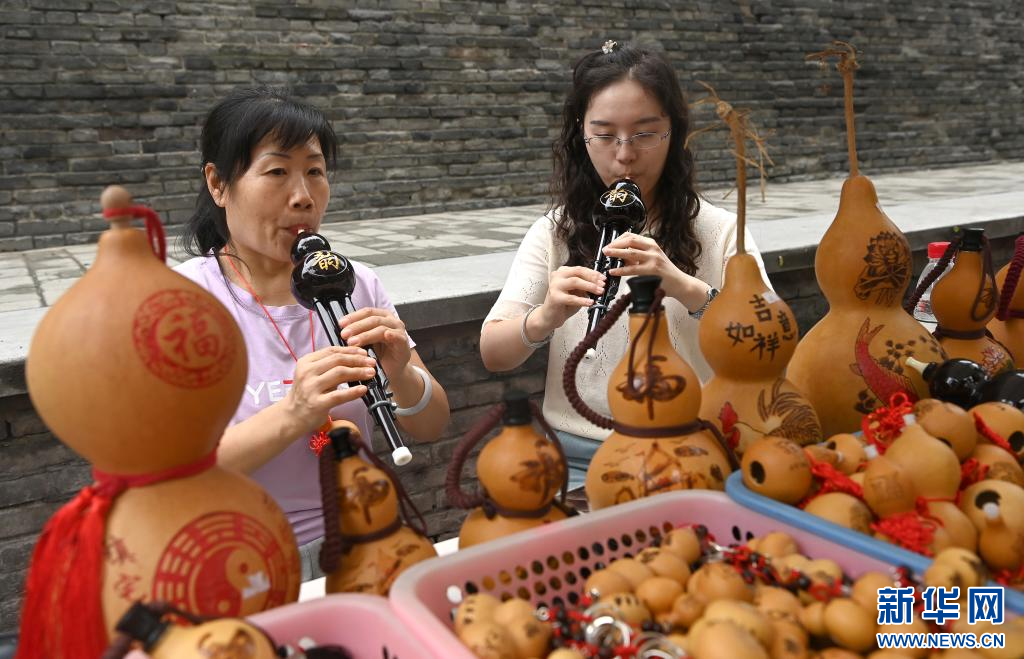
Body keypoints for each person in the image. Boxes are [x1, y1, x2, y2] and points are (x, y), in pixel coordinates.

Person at [176, 87, 450, 580]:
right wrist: (294, 412)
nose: (303, 196)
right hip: (240, 559)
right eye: (277, 172)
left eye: (315, 172)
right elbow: (171, 473)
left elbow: (432, 424)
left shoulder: (355, 282)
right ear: (218, 184)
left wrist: (401, 373)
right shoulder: (180, 302)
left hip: (363, 539)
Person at [479, 42, 769, 490]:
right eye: (604, 135)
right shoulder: (555, 232)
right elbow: (493, 353)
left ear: (674, 133)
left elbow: (766, 343)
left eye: (645, 134)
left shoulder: (723, 231)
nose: (625, 155)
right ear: (581, 136)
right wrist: (545, 317)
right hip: (577, 455)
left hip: (690, 449)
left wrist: (684, 286)